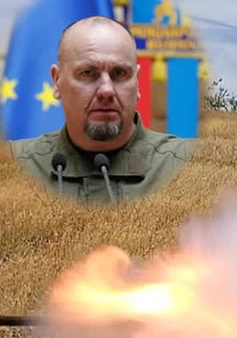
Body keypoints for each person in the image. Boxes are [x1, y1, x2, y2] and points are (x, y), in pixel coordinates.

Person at [7, 15, 195, 204]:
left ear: (137, 83)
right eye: (88, 73)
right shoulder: (12, 166)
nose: (107, 90)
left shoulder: (191, 164)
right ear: (57, 81)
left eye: (119, 73)